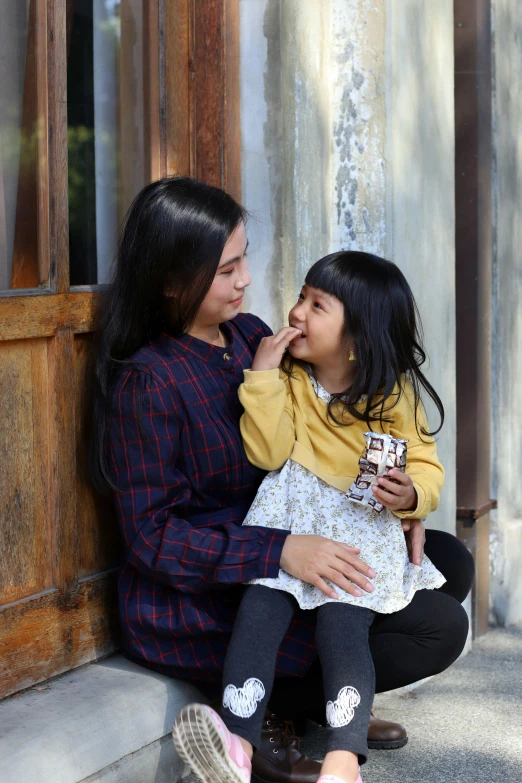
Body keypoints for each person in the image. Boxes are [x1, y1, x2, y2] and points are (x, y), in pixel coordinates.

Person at [91, 177, 474, 783]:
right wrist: (281, 550)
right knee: (439, 625)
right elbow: (152, 538)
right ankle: (273, 715)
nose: (245, 280)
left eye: (244, 260)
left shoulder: (249, 336)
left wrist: (403, 503)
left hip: (288, 541)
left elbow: (336, 434)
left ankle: (328, 702)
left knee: (449, 562)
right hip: (207, 594)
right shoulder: (152, 382)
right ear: (170, 280)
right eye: (226, 270)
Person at [171, 251, 455, 783]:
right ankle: (236, 745)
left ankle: (344, 757)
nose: (297, 311)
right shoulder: (293, 380)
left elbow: (425, 463)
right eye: (301, 296)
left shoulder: (392, 394)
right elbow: (269, 452)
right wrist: (262, 379)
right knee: (257, 621)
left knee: (343, 632)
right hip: (287, 526)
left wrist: (412, 493)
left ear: (357, 339)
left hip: (355, 536)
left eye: (317, 305)